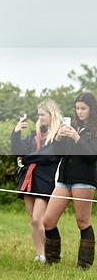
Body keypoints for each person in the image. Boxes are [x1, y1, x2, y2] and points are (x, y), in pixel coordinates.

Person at [43, 91, 97, 269]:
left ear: (91, 109)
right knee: (48, 220)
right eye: (77, 108)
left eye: (83, 108)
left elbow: (91, 156)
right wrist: (59, 138)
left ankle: (84, 264)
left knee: (82, 221)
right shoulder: (72, 125)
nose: (80, 112)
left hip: (84, 179)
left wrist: (77, 138)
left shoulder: (94, 130)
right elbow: (58, 154)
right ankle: (52, 260)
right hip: (64, 179)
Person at [10, 100, 63, 262]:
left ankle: (49, 254)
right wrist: (16, 133)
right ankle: (40, 254)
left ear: (51, 114)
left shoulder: (58, 134)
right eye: (39, 114)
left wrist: (26, 159)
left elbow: (49, 155)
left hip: (46, 179)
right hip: (29, 178)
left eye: (43, 114)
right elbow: (18, 150)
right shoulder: (35, 134)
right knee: (32, 218)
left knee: (38, 218)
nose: (40, 117)